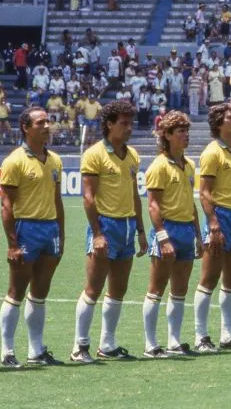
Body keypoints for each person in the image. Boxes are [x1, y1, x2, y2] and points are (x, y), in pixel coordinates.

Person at [72, 99, 146, 364]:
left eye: (131, 123)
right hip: (105, 225)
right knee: (93, 288)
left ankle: (108, 343)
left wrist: (140, 229)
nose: (129, 128)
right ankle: (80, 345)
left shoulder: (132, 155)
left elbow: (135, 195)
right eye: (124, 123)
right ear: (109, 125)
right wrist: (97, 233)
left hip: (127, 226)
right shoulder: (94, 154)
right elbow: (89, 198)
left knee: (118, 290)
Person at [0, 107, 65, 368]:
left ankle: (36, 350)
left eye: (48, 121)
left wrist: (60, 233)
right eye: (40, 123)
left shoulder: (55, 160)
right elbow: (6, 206)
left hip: (50, 230)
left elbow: (57, 201)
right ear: (26, 128)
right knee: (16, 291)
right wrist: (12, 243)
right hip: (26, 228)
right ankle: (7, 351)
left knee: (40, 292)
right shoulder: (14, 161)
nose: (47, 126)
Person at [194, 103, 231, 351]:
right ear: (219, 124)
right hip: (221, 217)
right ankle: (201, 336)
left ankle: (228, 334)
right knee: (209, 278)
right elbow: (204, 192)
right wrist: (213, 223)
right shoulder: (211, 153)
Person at [142, 111, 202, 358]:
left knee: (180, 289)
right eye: (180, 132)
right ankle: (150, 344)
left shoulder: (188, 166)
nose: (185, 136)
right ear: (166, 135)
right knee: (156, 288)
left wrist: (199, 235)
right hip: (168, 229)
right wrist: (162, 236)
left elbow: (191, 202)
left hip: (187, 229)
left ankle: (174, 341)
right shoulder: (159, 166)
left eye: (186, 131)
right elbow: (153, 205)